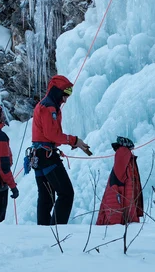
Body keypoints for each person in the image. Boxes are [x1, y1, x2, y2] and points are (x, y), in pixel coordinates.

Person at [31, 75, 92, 226]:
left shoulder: (44, 105)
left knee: (46, 197)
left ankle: (43, 234)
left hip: (39, 156)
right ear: (57, 92)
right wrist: (74, 141)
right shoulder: (49, 107)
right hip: (47, 156)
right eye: (64, 96)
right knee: (66, 193)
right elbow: (52, 134)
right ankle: (56, 232)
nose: (65, 100)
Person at [97, 137, 143, 225]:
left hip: (119, 224)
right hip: (118, 226)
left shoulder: (124, 168)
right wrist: (116, 223)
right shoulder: (124, 161)